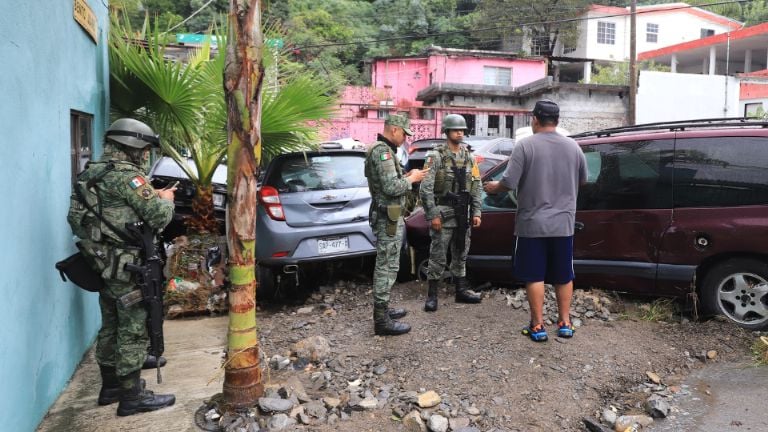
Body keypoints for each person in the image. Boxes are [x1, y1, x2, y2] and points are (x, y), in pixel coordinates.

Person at [67, 118, 177, 415]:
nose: (144, 156)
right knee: (133, 328)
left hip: (101, 264)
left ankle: (111, 386)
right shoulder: (129, 178)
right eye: (143, 150)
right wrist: (165, 199)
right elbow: (159, 217)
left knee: (111, 323)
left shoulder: (90, 174)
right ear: (133, 146)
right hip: (129, 267)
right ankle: (132, 396)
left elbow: (77, 220)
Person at [483, 100, 587, 342]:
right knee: (564, 274)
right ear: (557, 121)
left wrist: (492, 187)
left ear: (535, 120)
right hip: (563, 223)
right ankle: (564, 322)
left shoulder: (525, 146)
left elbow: (508, 182)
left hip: (532, 224)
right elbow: (583, 180)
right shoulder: (573, 147)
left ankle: (538, 326)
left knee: (534, 275)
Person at [364, 114, 428, 335]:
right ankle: (381, 321)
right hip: (387, 218)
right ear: (393, 130)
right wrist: (412, 179)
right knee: (386, 266)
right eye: (403, 133)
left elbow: (389, 182)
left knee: (390, 263)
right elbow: (391, 188)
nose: (404, 138)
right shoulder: (382, 152)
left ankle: (385, 309)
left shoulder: (385, 150)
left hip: (390, 216)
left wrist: (408, 175)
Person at [419, 114, 483, 312]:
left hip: (463, 213)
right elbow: (425, 189)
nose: (460, 133)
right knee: (438, 254)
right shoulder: (436, 156)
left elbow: (477, 185)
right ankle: (432, 295)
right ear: (446, 132)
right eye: (456, 130)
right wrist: (433, 215)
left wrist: (477, 211)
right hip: (443, 212)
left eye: (462, 130)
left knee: (461, 251)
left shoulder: (469, 157)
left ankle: (461, 290)